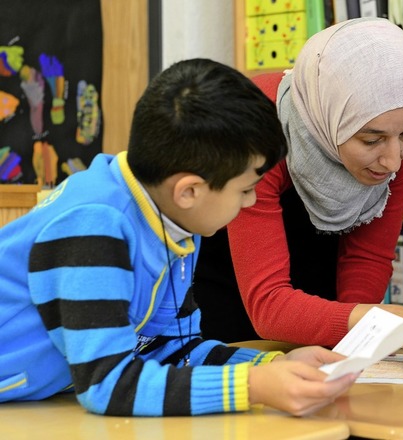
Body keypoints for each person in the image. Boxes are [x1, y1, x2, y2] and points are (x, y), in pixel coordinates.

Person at [0, 58, 359, 416]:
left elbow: (173, 348)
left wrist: (269, 366)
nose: (251, 201)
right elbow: (108, 385)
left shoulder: (173, 217)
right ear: (189, 191)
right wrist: (253, 387)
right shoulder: (94, 227)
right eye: (246, 189)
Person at [194, 17, 403, 376]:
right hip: (236, 285)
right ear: (328, 115)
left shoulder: (399, 125)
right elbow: (267, 306)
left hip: (321, 298)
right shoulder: (255, 129)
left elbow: (368, 254)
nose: (393, 160)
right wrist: (378, 319)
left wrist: (357, 344)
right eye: (370, 140)